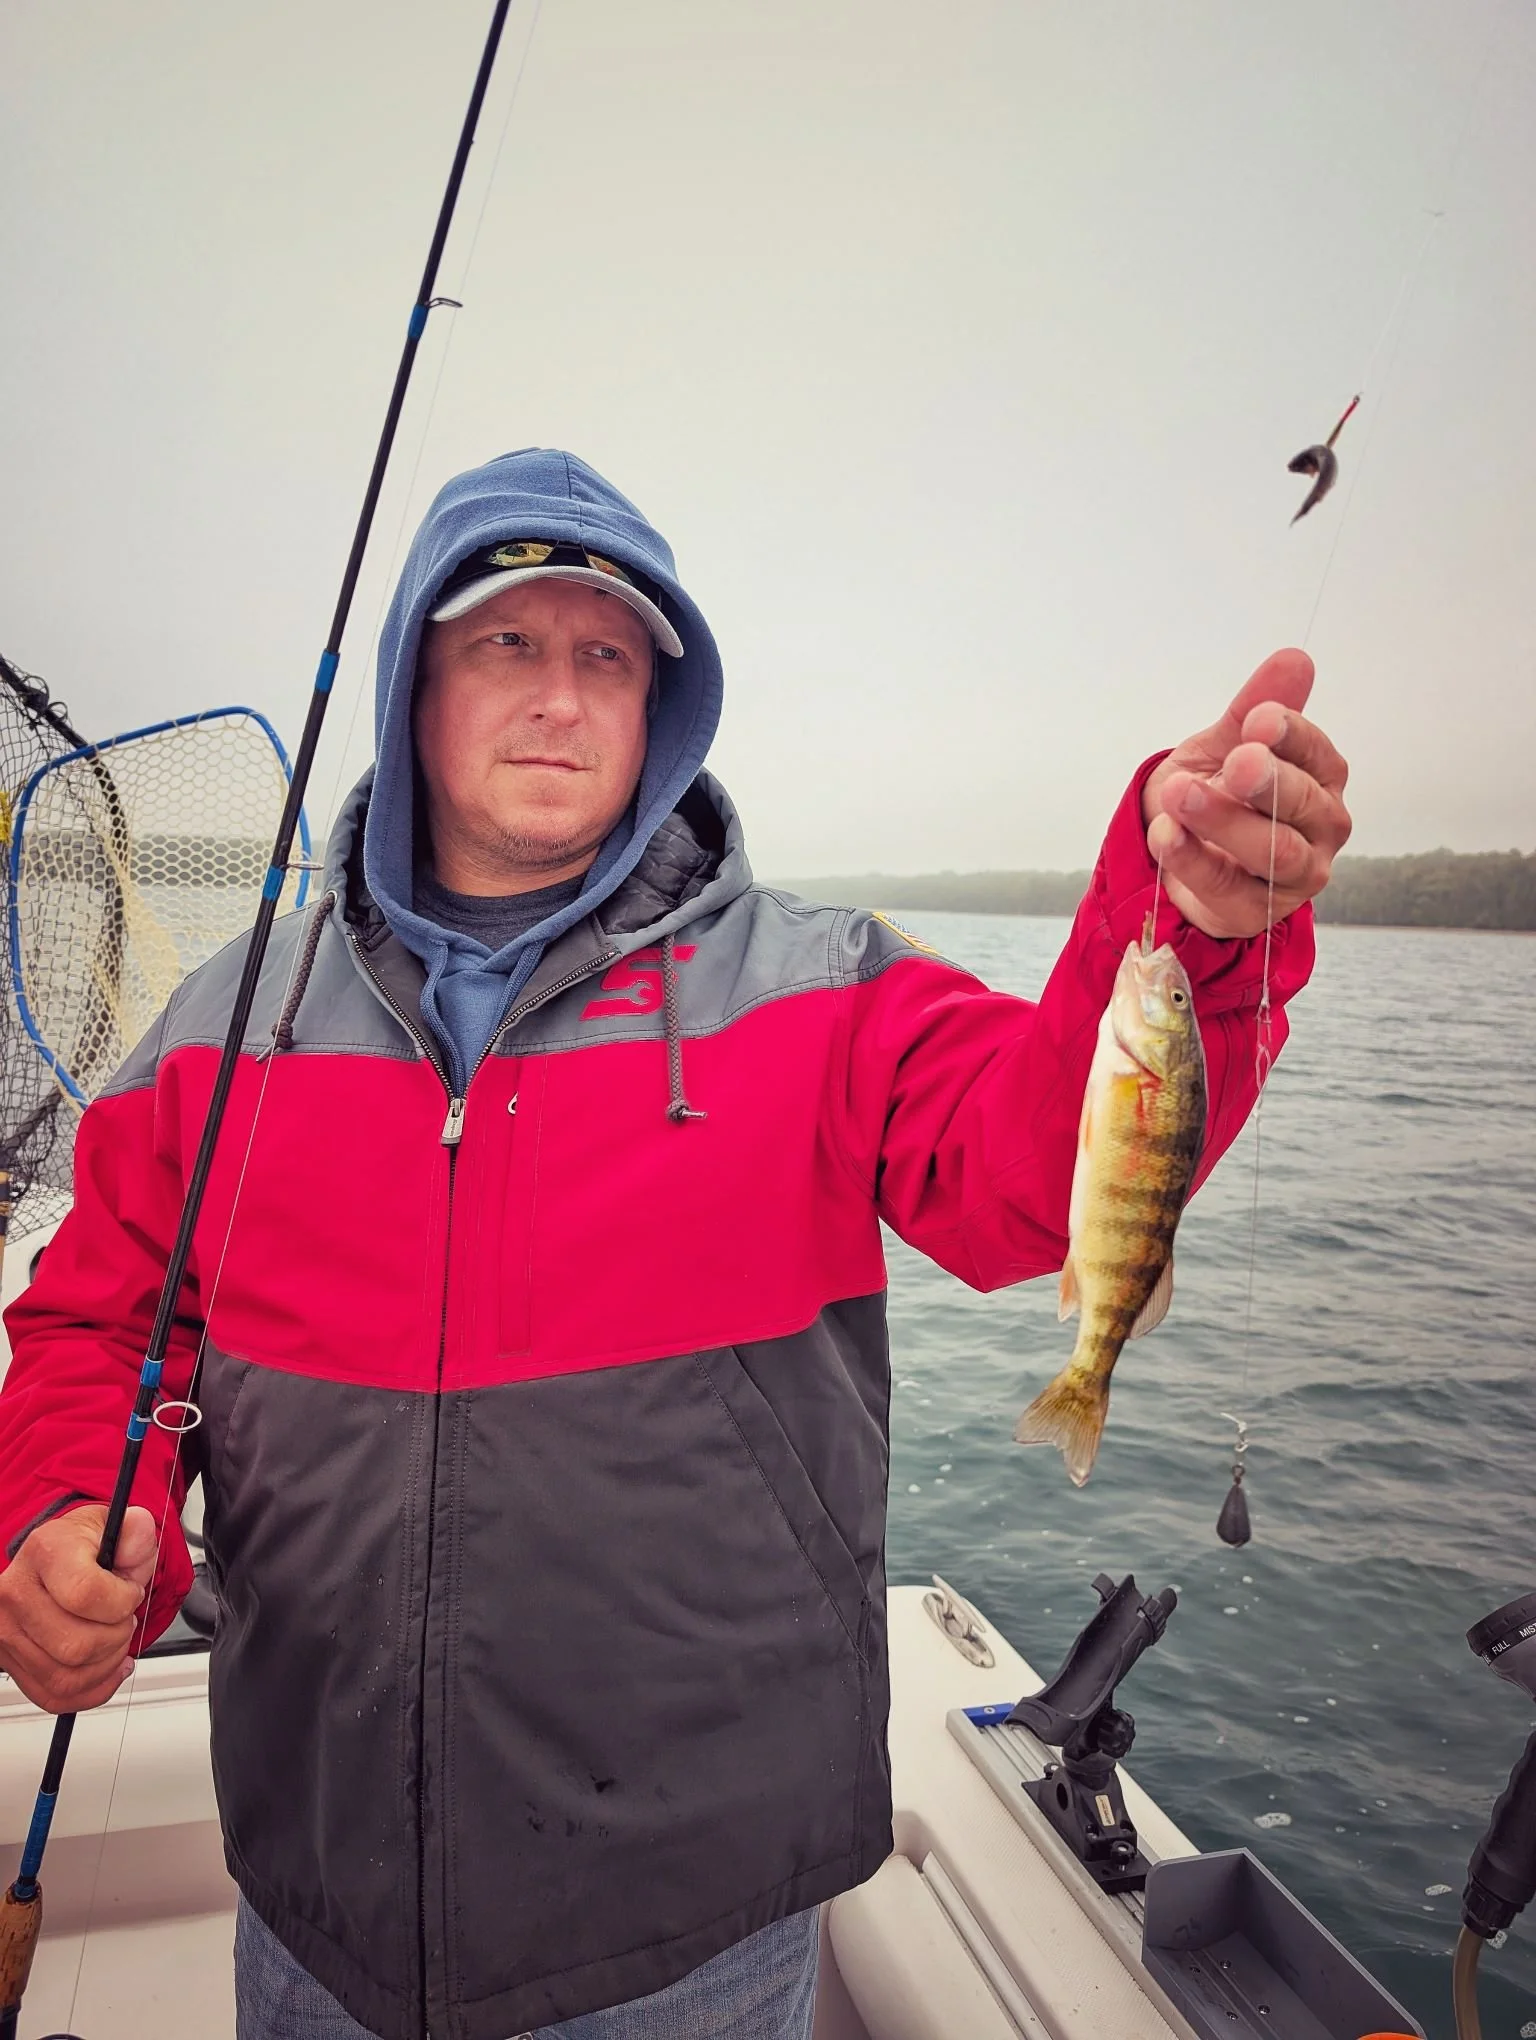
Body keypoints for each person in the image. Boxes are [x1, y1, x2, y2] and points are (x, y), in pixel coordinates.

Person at [0, 448, 1351, 2040]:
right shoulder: (232, 1021)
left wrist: (1183, 912)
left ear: (660, 711)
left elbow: (1038, 1184)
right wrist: (69, 1511)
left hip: (692, 1939)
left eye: (607, 657)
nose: (561, 698)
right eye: (507, 643)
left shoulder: (828, 987)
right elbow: (112, 1328)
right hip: (317, 1912)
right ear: (413, 690)